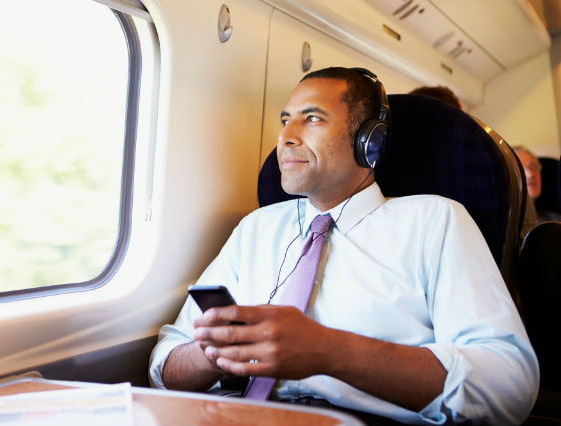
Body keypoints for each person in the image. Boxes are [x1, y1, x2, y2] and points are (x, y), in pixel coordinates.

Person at [149, 67, 538, 425]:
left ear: (370, 142)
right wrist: (218, 353)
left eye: (312, 118)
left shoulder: (434, 221)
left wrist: (328, 351)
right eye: (285, 120)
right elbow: (164, 366)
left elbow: (507, 386)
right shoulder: (256, 228)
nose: (286, 136)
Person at [514, 145, 561, 223]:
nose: (530, 174)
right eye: (520, 168)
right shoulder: (505, 226)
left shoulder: (556, 221)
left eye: (533, 167)